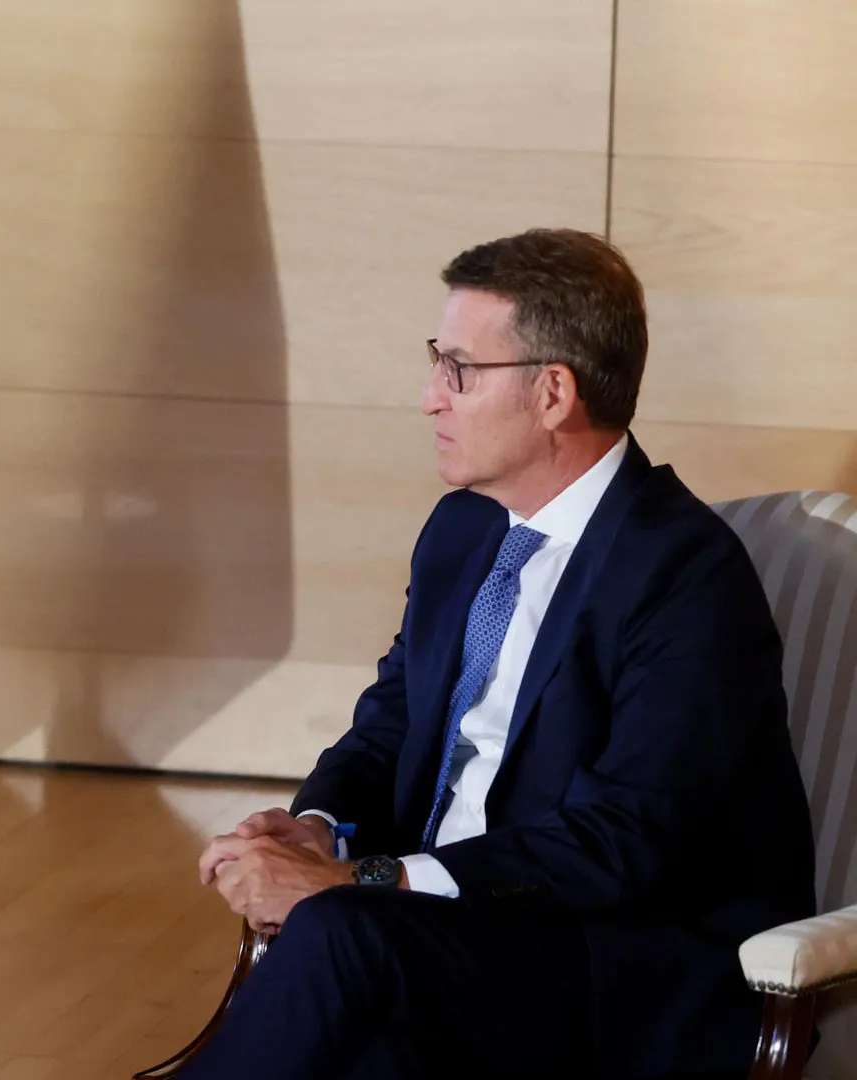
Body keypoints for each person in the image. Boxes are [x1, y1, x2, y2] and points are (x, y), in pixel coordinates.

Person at [187, 228, 815, 1080]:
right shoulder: (463, 528)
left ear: (553, 391)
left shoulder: (683, 573)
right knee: (353, 1001)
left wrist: (365, 883)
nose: (429, 397)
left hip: (608, 959)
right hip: (445, 937)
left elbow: (621, 841)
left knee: (344, 937)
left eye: (458, 368)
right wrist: (314, 828)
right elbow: (392, 720)